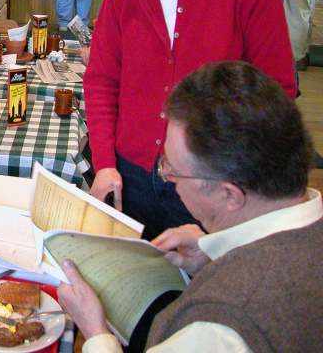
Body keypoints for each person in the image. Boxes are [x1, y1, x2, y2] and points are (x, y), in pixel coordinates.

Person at [84, 0, 296, 239]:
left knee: (206, 289)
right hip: (130, 173)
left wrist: (239, 178)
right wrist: (104, 163)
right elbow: (101, 80)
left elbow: (278, 93)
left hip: (213, 182)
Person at [59, 61, 322, 353]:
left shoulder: (217, 327)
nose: (167, 177)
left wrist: (96, 332)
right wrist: (215, 257)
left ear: (230, 195)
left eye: (172, 169)